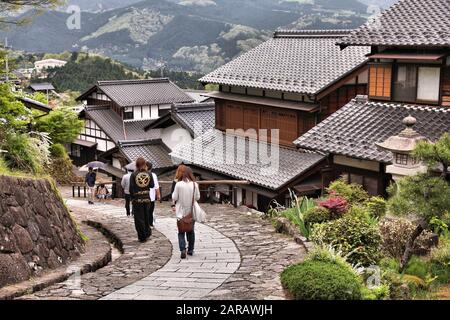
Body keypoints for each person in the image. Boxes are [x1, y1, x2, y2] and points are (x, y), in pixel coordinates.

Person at [172, 167, 200, 259]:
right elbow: (197, 197)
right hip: (192, 211)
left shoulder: (178, 184)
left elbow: (175, 197)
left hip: (181, 210)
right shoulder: (195, 184)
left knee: (181, 231)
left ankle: (182, 249)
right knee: (191, 230)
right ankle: (190, 250)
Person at [129, 158, 154, 243]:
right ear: (145, 164)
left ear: (136, 164)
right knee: (146, 216)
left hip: (137, 199)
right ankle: (147, 233)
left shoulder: (133, 175)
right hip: (147, 199)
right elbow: (152, 185)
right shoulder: (149, 174)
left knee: (139, 219)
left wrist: (133, 198)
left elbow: (131, 188)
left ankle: (142, 236)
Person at [146, 162, 160, 228]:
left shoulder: (140, 174)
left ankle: (146, 224)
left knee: (145, 211)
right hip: (151, 197)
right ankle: (150, 224)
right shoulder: (153, 175)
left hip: (143, 196)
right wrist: (158, 195)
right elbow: (156, 186)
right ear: (151, 168)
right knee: (150, 211)